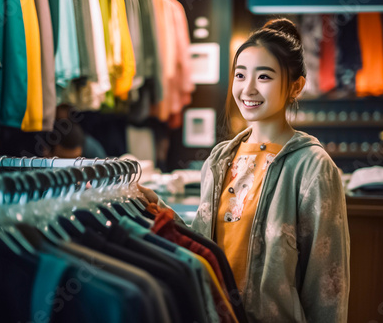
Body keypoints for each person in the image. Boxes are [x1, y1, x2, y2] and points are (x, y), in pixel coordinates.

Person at [138, 18, 350, 322]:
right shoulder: (219, 158)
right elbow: (204, 244)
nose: (247, 88)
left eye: (264, 77)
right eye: (240, 75)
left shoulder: (312, 166)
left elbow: (329, 285)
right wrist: (157, 208)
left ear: (295, 86)